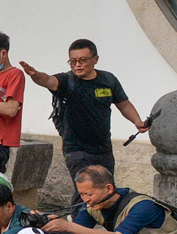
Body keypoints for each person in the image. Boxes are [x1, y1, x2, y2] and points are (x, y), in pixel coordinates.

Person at [19, 39, 149, 181]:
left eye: (82, 60)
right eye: (73, 61)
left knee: (105, 192)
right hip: (76, 151)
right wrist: (35, 75)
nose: (77, 65)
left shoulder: (108, 80)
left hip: (103, 149)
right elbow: (48, 80)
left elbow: (123, 104)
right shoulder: (66, 81)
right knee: (87, 190)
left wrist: (137, 121)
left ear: (95, 59)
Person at [43, 165, 177, 234]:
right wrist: (48, 225)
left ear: (108, 188)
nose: (85, 199)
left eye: (88, 194)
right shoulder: (92, 205)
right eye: (81, 194)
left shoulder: (142, 206)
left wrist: (69, 226)